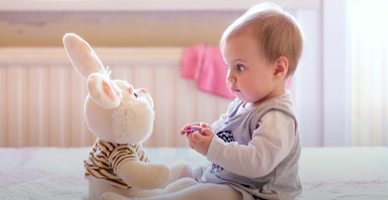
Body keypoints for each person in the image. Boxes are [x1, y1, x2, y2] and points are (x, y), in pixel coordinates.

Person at [102, 2, 303, 200]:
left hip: (257, 193)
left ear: (278, 69)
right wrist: (209, 133)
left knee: (202, 194)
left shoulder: (277, 117)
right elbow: (228, 131)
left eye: (239, 67)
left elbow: (258, 162)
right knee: (186, 183)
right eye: (228, 66)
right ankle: (145, 195)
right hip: (230, 181)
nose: (230, 77)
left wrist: (212, 148)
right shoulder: (246, 101)